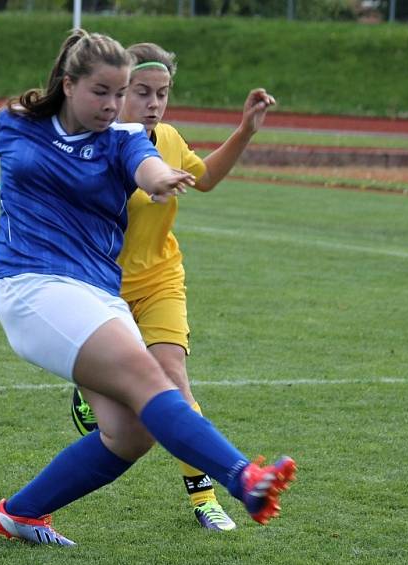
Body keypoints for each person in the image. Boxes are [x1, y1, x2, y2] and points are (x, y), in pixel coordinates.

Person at [0, 29, 296, 546]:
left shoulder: (124, 139)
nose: (113, 105)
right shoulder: (19, 124)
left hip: (99, 294)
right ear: (69, 83)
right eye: (103, 92)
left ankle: (20, 513)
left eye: (120, 94)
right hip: (31, 286)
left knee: (130, 434)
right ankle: (243, 478)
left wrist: (160, 178)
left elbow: (147, 167)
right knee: (153, 376)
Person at [69, 42, 276, 533]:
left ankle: (204, 498)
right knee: (124, 412)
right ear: (117, 92)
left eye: (162, 93)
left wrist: (244, 131)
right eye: (142, 92)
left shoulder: (168, 138)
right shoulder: (89, 145)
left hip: (160, 279)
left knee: (175, 385)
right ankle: (87, 388)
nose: (154, 104)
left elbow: (203, 180)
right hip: (99, 289)